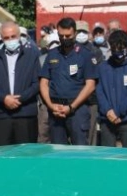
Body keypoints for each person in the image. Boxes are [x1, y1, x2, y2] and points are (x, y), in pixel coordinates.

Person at [39, 17, 98, 145]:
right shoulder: (52, 54)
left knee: (80, 150)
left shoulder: (86, 55)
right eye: (61, 36)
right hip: (55, 109)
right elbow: (43, 83)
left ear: (75, 33)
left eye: (68, 36)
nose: (65, 39)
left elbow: (90, 85)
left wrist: (71, 107)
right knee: (58, 150)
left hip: (77, 110)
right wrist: (51, 106)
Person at [0, 21, 41, 146]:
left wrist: (19, 99)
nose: (10, 40)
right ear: (1, 38)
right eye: (6, 37)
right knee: (4, 154)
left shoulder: (32, 56)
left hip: (25, 114)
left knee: (26, 154)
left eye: (13, 36)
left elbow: (37, 83)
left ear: (19, 36)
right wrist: (4, 98)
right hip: (2, 115)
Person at [96, 30, 127, 148]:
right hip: (107, 119)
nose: (117, 52)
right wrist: (108, 111)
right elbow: (99, 91)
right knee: (107, 155)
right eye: (114, 49)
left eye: (120, 49)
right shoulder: (103, 67)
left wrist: (118, 112)